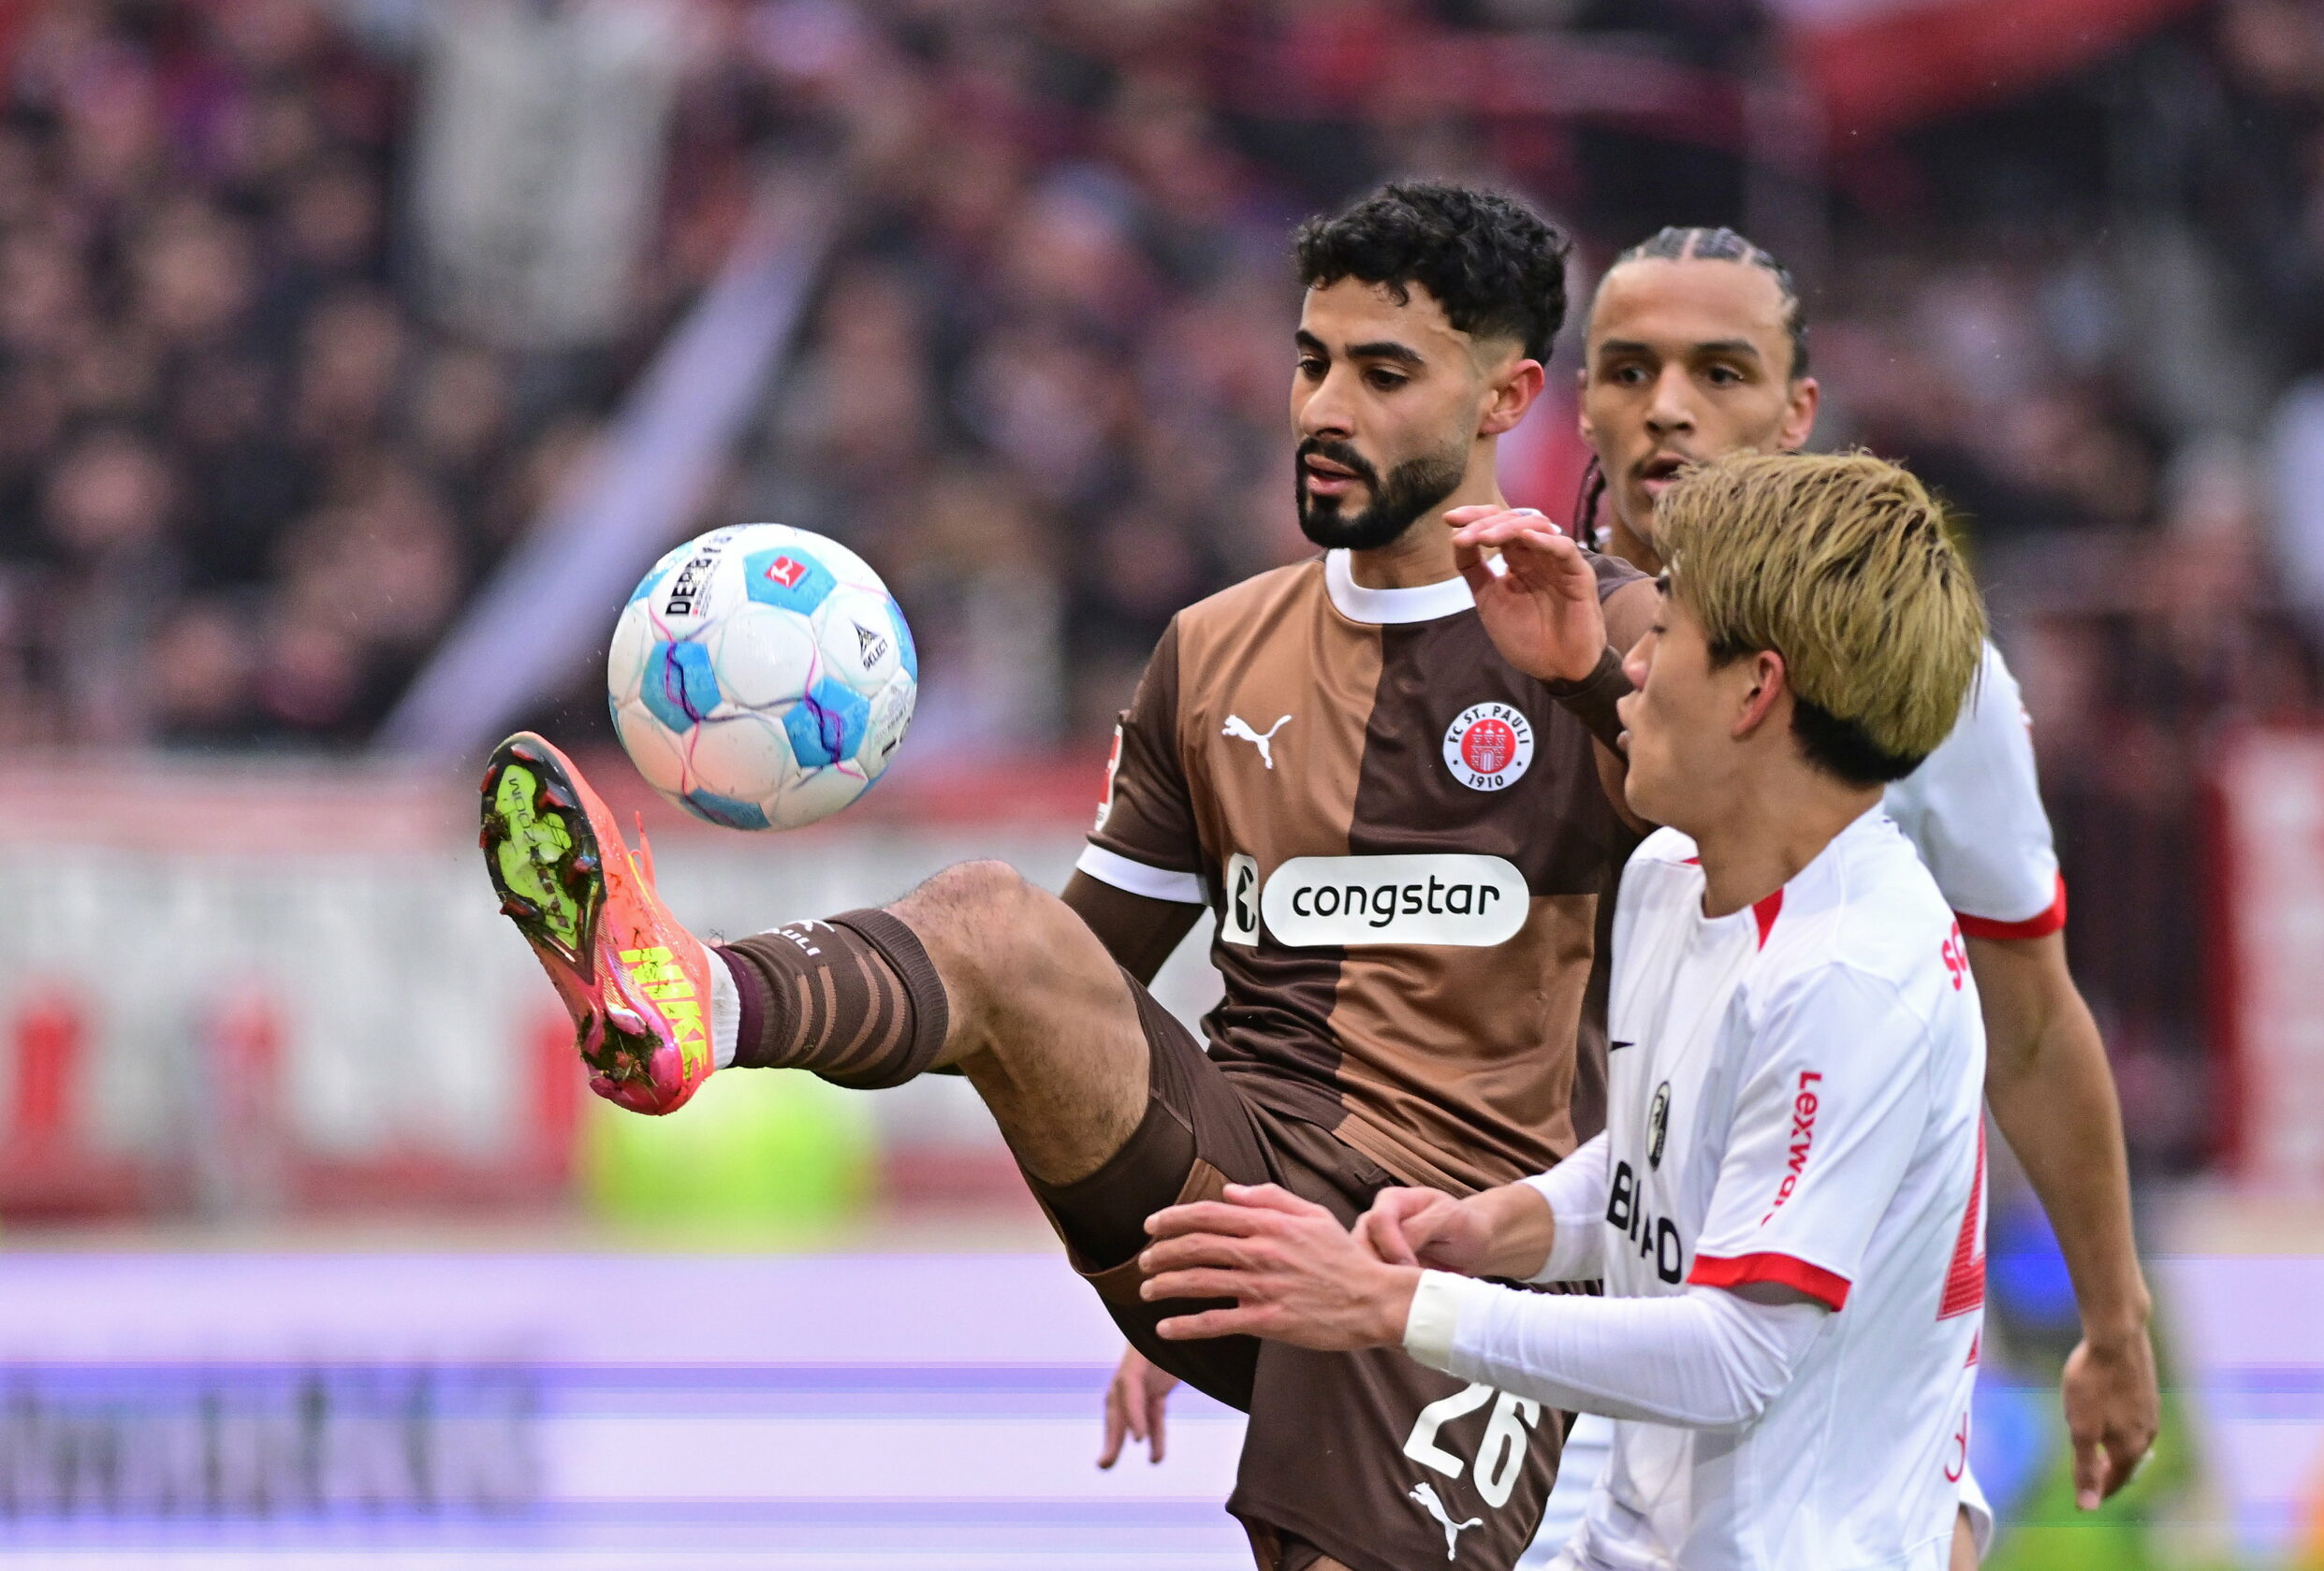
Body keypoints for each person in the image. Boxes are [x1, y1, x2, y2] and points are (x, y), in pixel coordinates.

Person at [477, 182, 1658, 1571]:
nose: (1325, 407)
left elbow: (1754, 850)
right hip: (1238, 1194)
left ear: (1505, 396)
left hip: (1472, 1256)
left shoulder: (1615, 628)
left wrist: (1583, 677)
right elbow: (1072, 972)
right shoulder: (1212, 654)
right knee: (994, 917)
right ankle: (701, 1005)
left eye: (1383, 372)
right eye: (1310, 360)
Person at [1103, 224, 2159, 1568]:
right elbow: (1650, 1138)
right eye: (1632, 366)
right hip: (1567, 1365)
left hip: (1760, 1407)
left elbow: (2022, 1027)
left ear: (1799, 412)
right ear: (1565, 392)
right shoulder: (1658, 841)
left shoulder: (1890, 812)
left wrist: (2110, 1324)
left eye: (1721, 372)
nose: (1669, 407)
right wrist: (1411, 1246)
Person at [1135, 449, 1994, 1571]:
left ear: (1755, 687)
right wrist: (1490, 1224)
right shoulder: (1672, 878)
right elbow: (1650, 1168)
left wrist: (1399, 1303)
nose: (1629, 661)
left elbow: (1738, 1355)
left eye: (1666, 628)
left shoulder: (1849, 976)